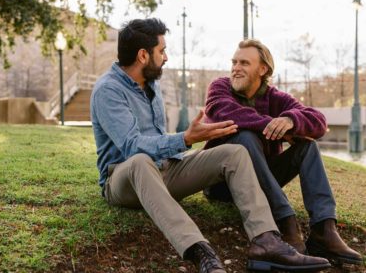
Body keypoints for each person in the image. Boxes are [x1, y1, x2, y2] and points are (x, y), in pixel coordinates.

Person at [90, 18, 331, 273]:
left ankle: (265, 241)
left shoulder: (151, 83)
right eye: (161, 51)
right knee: (139, 161)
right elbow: (132, 146)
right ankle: (200, 251)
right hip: (124, 180)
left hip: (167, 171)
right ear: (142, 55)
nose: (166, 57)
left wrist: (290, 122)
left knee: (236, 152)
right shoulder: (108, 90)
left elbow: (316, 121)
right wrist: (184, 139)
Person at [204, 38, 362, 265]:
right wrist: (273, 124)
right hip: (223, 184)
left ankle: (323, 229)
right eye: (234, 62)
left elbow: (318, 121)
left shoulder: (276, 98)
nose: (236, 68)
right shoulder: (220, 87)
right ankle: (286, 223)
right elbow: (224, 113)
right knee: (245, 136)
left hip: (263, 179)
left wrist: (290, 120)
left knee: (307, 146)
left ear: (263, 69)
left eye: (244, 63)